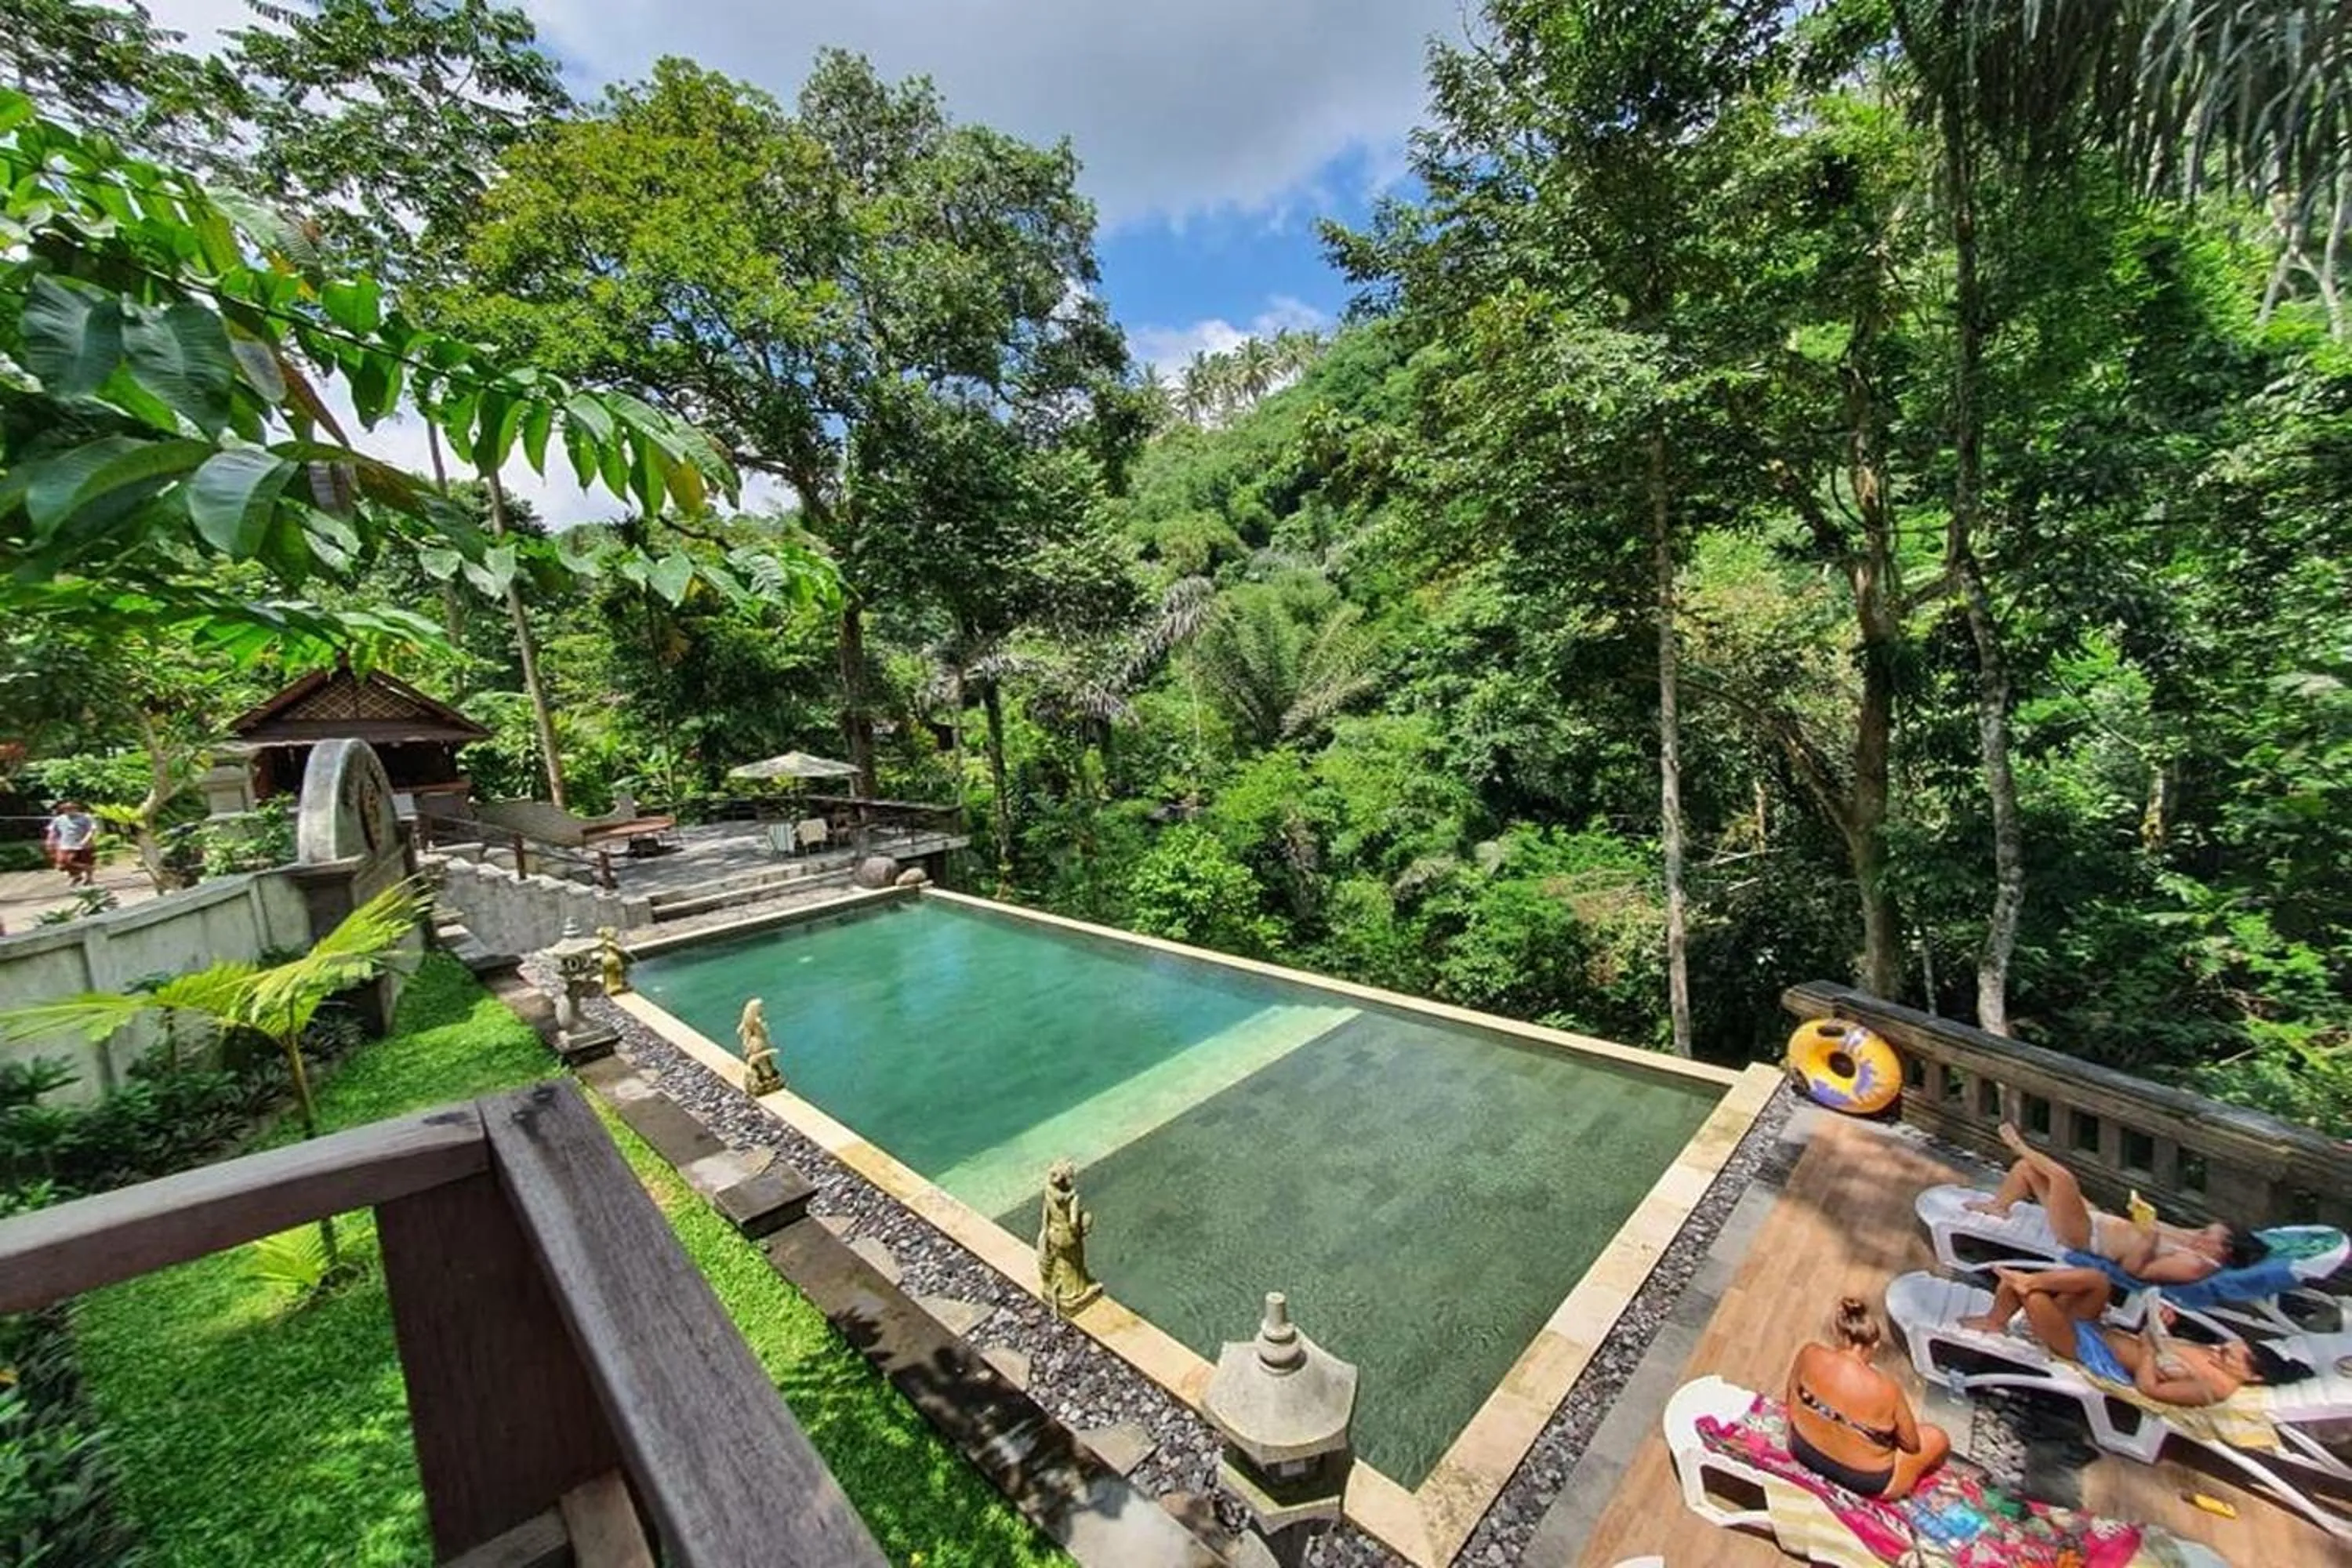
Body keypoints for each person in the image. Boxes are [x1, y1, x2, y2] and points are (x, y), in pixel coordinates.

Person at [1964, 1265, 2312, 1406]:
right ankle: (2027, 1285)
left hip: (2087, 1349)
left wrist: (2147, 1346)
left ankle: (2001, 1315)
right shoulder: (2219, 1362)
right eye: (2224, 1348)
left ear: (2252, 1377)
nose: (2218, 1351)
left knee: (2030, 1294)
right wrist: (2161, 1327)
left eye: (2227, 1356)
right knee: (2098, 1280)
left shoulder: (2216, 1387)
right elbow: (2162, 1348)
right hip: (2101, 1330)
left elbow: (2150, 1388)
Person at [1966, 1121, 2264, 1283]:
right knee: (2029, 1170)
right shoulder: (2196, 1244)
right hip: (2096, 1221)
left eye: (2209, 1234)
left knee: (2063, 1178)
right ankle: (1999, 1205)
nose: (2202, 1234)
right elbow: (2152, 1230)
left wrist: (2148, 1235)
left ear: (2224, 1249)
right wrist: (2143, 1218)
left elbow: (2135, 1270)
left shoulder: (2194, 1266)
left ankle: (2017, 1144)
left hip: (2083, 1236)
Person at [1785, 1296, 1951, 1500]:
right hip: (1866, 1481)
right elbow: (1911, 1445)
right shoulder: (1887, 1389)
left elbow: (1791, 1398)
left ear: (1840, 1334)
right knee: (1936, 1437)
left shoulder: (1809, 1353)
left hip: (1803, 1450)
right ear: (1875, 1345)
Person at [43, 800, 98, 887]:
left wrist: (86, 840)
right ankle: (79, 875)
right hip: (66, 845)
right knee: (63, 863)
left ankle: (89, 878)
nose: (69, 811)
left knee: (86, 860)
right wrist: (50, 841)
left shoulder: (85, 817)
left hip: (84, 845)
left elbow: (92, 830)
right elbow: (53, 831)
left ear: (76, 809)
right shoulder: (59, 819)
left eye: (71, 809)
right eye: (66, 809)